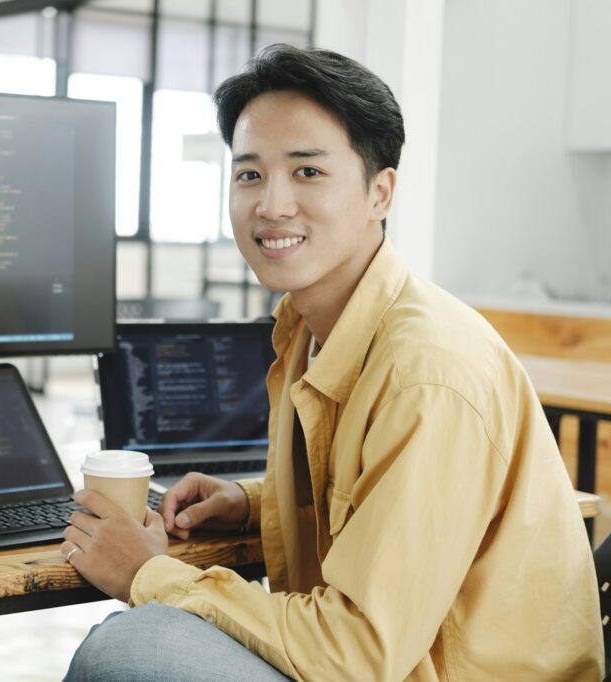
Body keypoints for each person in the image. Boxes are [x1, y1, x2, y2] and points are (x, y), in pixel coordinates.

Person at [60, 44, 603, 681]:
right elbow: (378, 499)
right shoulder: (309, 328)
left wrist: (151, 573)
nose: (271, 205)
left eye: (308, 172)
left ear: (380, 192)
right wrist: (256, 502)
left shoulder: (428, 375)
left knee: (128, 648)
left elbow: (356, 654)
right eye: (249, 174)